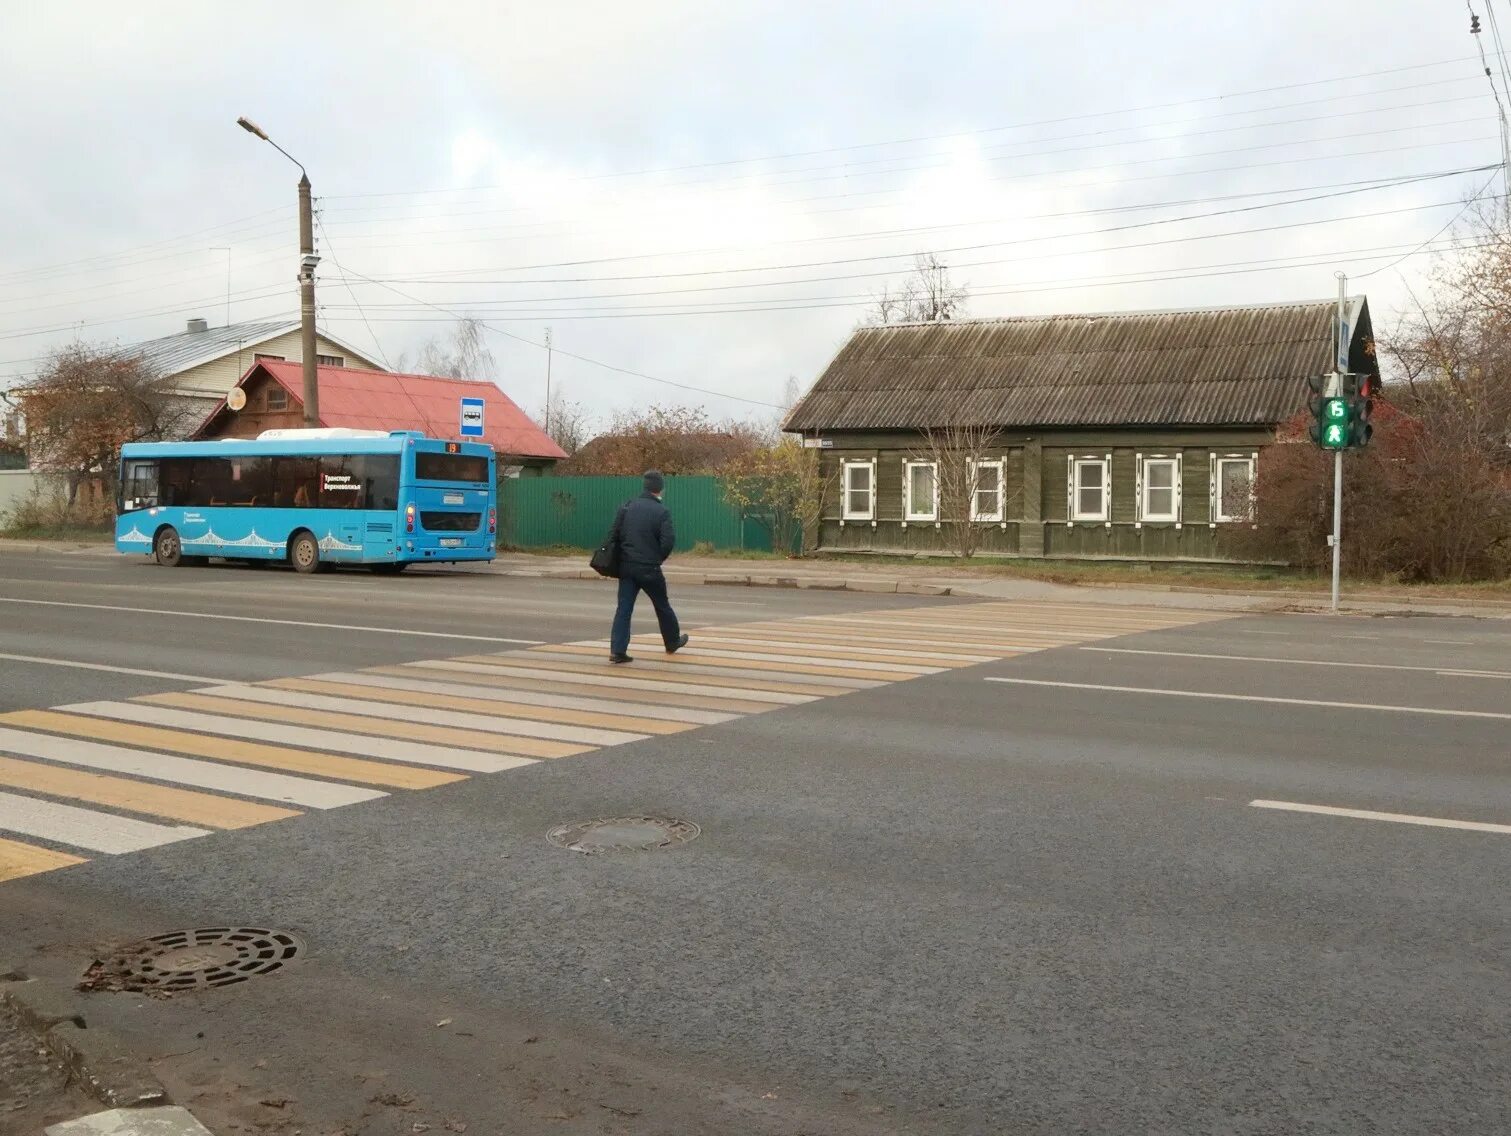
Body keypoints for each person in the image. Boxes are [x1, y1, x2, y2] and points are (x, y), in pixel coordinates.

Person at [608, 470, 689, 664]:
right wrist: (657, 558)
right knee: (662, 605)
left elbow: (614, 534)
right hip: (650, 568)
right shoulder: (661, 511)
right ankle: (672, 641)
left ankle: (617, 650)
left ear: (645, 487)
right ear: (660, 488)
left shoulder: (627, 506)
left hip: (627, 567)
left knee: (624, 608)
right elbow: (668, 541)